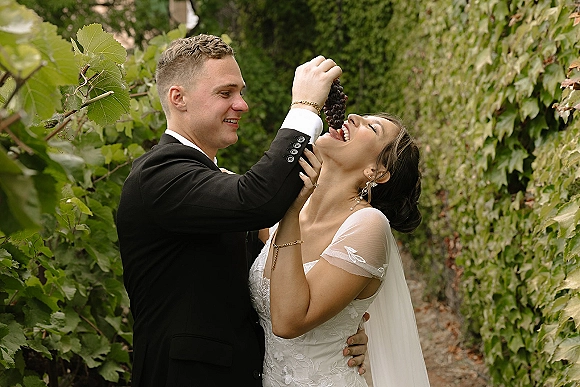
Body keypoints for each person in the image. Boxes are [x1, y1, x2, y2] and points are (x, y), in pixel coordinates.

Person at [116, 34, 368, 387]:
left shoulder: (207, 179)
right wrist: (306, 108)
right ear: (179, 98)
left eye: (240, 91)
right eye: (225, 93)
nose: (242, 104)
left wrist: (337, 332)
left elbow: (285, 271)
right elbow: (258, 200)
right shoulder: (158, 175)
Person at [249, 112, 431, 386]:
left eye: (372, 127)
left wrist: (290, 212)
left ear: (376, 172)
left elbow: (288, 322)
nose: (353, 115)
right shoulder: (284, 211)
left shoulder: (368, 225)